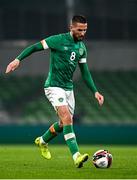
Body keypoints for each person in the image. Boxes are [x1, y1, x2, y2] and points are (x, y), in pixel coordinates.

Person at [5, 15, 104, 168]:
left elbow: (85, 72)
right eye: (79, 30)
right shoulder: (57, 40)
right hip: (53, 86)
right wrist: (18, 59)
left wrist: (95, 91)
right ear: (71, 28)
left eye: (85, 30)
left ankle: (42, 141)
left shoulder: (81, 48)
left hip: (68, 89)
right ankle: (76, 156)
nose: (83, 33)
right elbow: (34, 47)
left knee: (63, 123)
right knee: (67, 118)